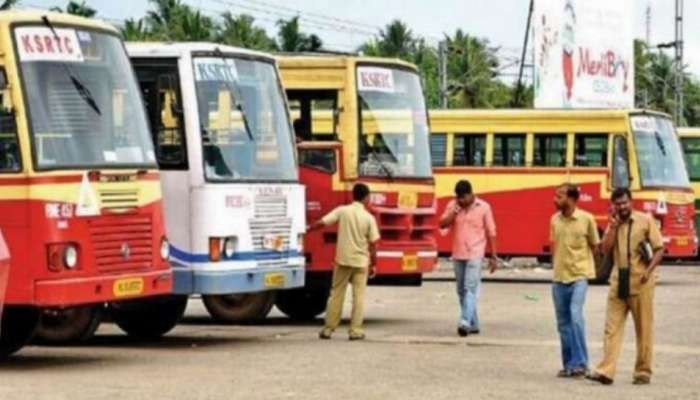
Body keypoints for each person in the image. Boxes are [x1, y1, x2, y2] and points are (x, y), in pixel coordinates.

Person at [587, 188, 664, 386]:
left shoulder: (645, 221)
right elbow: (604, 250)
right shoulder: (614, 223)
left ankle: (642, 371)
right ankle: (606, 371)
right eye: (618, 204)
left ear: (631, 202)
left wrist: (649, 271)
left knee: (644, 328)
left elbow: (659, 249)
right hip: (617, 281)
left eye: (624, 203)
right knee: (611, 328)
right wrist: (612, 227)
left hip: (641, 282)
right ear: (613, 205)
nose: (621, 207)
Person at [308, 183, 380, 341]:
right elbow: (374, 244)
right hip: (361, 263)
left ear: (353, 195)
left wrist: (307, 228)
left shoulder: (343, 211)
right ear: (366, 198)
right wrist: (374, 264)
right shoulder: (369, 218)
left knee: (336, 295)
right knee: (358, 297)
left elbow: (322, 222)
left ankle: (328, 329)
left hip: (343, 261)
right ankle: (355, 331)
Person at [550, 183, 600, 378]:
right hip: (559, 279)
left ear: (571, 199)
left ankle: (581, 363)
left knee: (576, 316)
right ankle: (569, 364)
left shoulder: (587, 219)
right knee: (563, 323)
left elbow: (595, 247)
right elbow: (554, 246)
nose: (556, 200)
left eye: (560, 196)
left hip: (579, 276)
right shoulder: (554, 220)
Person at [439, 180, 498, 337]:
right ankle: (474, 323)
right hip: (458, 253)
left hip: (475, 253)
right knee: (461, 291)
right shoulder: (453, 206)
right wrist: (454, 211)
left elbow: (491, 231)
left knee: (470, 288)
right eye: (459, 198)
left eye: (464, 198)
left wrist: (493, 255)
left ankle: (465, 321)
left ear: (471, 194)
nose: (462, 201)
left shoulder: (484, 207)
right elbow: (442, 224)